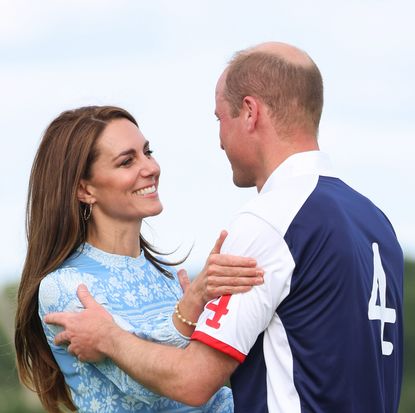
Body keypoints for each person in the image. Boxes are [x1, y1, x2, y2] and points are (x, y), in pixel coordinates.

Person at [46, 42, 404, 413]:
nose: (219, 140)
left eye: (220, 118)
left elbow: (193, 381)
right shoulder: (374, 220)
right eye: (127, 159)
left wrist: (109, 338)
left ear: (249, 113)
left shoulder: (269, 223)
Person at [14, 105, 265, 413]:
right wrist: (192, 307)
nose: (151, 167)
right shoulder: (65, 287)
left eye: (148, 152)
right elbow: (154, 387)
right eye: (127, 161)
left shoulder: (170, 277)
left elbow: (210, 380)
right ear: (84, 189)